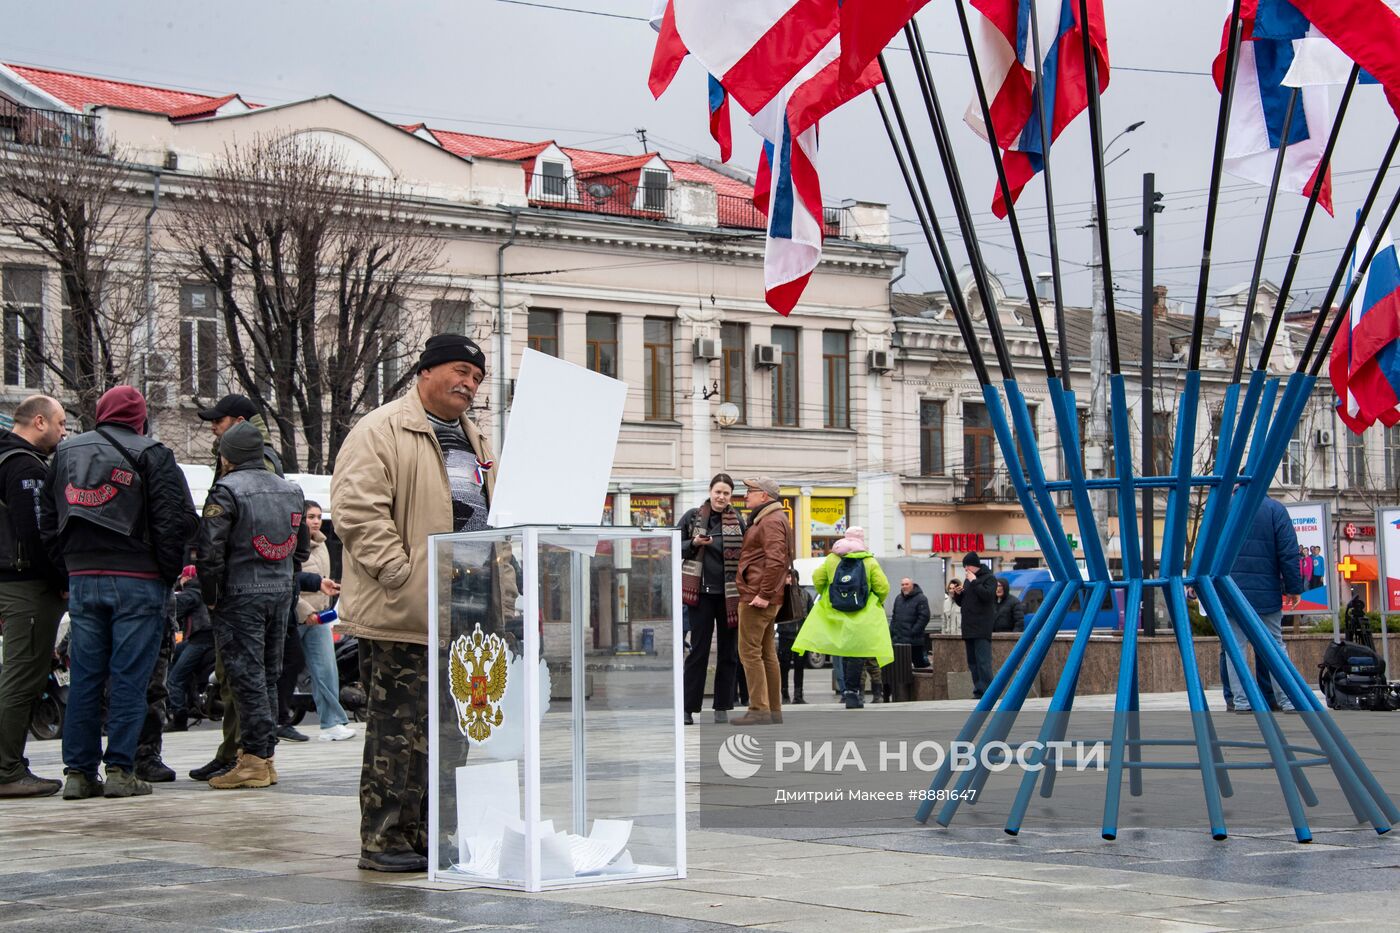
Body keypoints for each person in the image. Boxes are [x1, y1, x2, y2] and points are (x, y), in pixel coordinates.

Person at [333, 333, 501, 873]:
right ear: (425, 373)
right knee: (398, 730)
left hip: (469, 611)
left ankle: (436, 835)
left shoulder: (479, 442)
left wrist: (507, 593)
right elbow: (357, 510)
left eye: (476, 378)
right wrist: (399, 574)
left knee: (454, 733)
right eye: (459, 372)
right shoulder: (382, 429)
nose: (469, 384)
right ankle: (385, 839)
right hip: (405, 609)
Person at [40, 386, 195, 800]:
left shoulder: (65, 454)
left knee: (86, 678)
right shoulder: (153, 454)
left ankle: (78, 772)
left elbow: (47, 518)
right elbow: (173, 521)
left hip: (83, 578)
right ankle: (120, 770)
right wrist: (166, 573)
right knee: (130, 678)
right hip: (139, 581)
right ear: (139, 417)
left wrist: (67, 568)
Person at [196, 421, 308, 790]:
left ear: (227, 456)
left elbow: (210, 552)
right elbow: (301, 549)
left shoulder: (225, 491)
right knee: (269, 676)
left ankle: (255, 760)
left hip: (239, 594)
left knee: (245, 679)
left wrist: (211, 597)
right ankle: (266, 756)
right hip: (279, 593)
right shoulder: (292, 490)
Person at [0, 395, 67, 798]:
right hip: (26, 585)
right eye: (60, 424)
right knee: (23, 676)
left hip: (11, 582)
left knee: (16, 674)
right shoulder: (23, 465)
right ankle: (7, 769)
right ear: (38, 421)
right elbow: (37, 533)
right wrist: (61, 576)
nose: (63, 432)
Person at [793, 527, 893, 709]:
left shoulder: (832, 558)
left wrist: (828, 593)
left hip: (837, 611)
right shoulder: (868, 560)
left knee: (844, 652)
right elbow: (883, 586)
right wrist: (875, 600)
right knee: (857, 653)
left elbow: (817, 577)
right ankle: (854, 692)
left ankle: (846, 691)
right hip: (862, 613)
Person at [1221, 498, 1304, 714]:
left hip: (1230, 590)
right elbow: (1288, 551)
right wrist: (1293, 587)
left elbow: (1209, 546)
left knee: (1234, 648)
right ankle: (1287, 699)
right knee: (1275, 646)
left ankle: (1242, 702)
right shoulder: (1275, 509)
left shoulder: (1223, 505)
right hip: (1266, 592)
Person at [678, 473, 746, 726]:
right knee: (698, 652)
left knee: (729, 653)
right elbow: (673, 545)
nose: (721, 497)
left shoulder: (738, 520)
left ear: (731, 496)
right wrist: (693, 543)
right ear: (710, 491)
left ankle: (722, 707)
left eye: (726, 493)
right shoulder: (693, 516)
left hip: (729, 596)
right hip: (701, 595)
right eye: (718, 492)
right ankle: (688, 708)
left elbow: (747, 555)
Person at [732, 476, 791, 726]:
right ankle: (773, 711)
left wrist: (763, 594)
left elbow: (776, 560)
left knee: (749, 653)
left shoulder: (770, 520)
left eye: (750, 491)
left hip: (757, 597)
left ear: (764, 495)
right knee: (767, 653)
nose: (746, 495)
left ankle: (759, 709)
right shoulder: (771, 518)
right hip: (762, 595)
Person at [295, 501, 354, 741]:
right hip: (296, 616)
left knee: (327, 670)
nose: (316, 521)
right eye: (310, 516)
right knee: (279, 671)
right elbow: (289, 580)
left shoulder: (321, 545)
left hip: (319, 617)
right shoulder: (293, 545)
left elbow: (323, 579)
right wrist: (304, 610)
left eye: (319, 516)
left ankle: (332, 723)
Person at [165, 565, 213, 732]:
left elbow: (173, 608)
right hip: (206, 638)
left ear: (186, 578)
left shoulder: (192, 592)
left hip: (201, 639)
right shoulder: (206, 588)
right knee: (175, 654)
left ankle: (179, 717)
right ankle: (188, 699)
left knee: (174, 679)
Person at [949, 553, 997, 699]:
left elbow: (987, 596)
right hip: (969, 627)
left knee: (983, 662)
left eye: (966, 566)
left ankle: (989, 692)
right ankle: (979, 690)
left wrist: (975, 581)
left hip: (982, 627)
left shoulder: (989, 578)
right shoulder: (969, 580)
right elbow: (964, 603)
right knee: (973, 662)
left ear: (973, 565)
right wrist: (959, 595)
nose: (965, 569)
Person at [776, 568, 811, 704]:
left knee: (799, 666)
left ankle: (798, 695)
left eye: (792, 577)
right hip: (785, 635)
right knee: (784, 666)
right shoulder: (780, 595)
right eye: (788, 577)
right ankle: (784, 694)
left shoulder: (805, 595)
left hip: (801, 636)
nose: (790, 580)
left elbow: (811, 614)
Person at [890, 577, 931, 669]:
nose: (904, 586)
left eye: (907, 584)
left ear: (912, 586)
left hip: (914, 641)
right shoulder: (898, 598)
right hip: (898, 641)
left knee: (919, 668)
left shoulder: (921, 598)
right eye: (902, 584)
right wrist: (892, 630)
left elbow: (924, 617)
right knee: (900, 668)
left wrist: (912, 631)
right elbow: (894, 616)